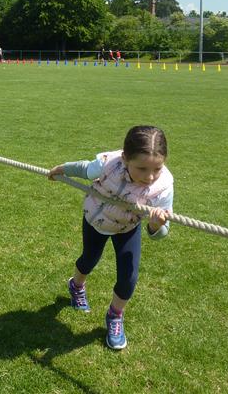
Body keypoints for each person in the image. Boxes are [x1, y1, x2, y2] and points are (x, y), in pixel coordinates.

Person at [47, 125, 173, 351]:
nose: (150, 176)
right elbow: (85, 169)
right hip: (97, 219)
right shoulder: (109, 163)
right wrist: (61, 169)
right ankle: (76, 285)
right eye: (142, 168)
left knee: (129, 276)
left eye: (157, 168)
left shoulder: (163, 187)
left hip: (127, 228)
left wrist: (155, 225)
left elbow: (161, 232)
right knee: (89, 260)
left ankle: (115, 315)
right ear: (125, 158)